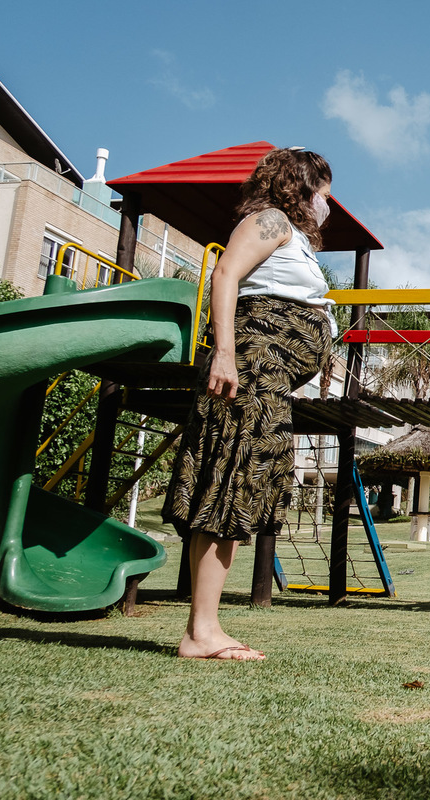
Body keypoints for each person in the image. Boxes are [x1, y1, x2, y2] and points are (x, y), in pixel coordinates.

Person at [163, 147, 336, 661]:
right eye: (324, 193)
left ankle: (204, 629)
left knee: (238, 489)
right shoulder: (271, 220)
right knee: (229, 487)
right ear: (301, 186)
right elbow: (225, 275)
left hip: (268, 375)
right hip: (251, 366)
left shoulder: (292, 236)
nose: (328, 204)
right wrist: (224, 354)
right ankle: (202, 632)